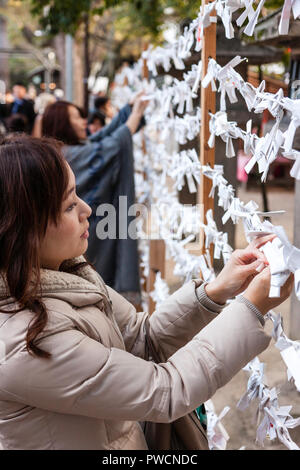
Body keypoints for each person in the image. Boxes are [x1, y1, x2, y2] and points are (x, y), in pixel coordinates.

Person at [0, 134, 293, 450]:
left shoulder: (65, 274)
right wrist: (251, 307)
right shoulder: (27, 341)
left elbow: (141, 339)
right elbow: (165, 392)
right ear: (24, 230)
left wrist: (215, 291)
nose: (86, 209)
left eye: (78, 194)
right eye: (70, 204)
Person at [41, 96, 147, 305]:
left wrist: (128, 108)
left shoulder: (66, 151)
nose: (84, 122)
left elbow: (102, 139)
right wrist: (134, 115)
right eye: (77, 118)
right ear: (62, 123)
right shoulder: (67, 156)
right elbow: (112, 145)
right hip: (91, 236)